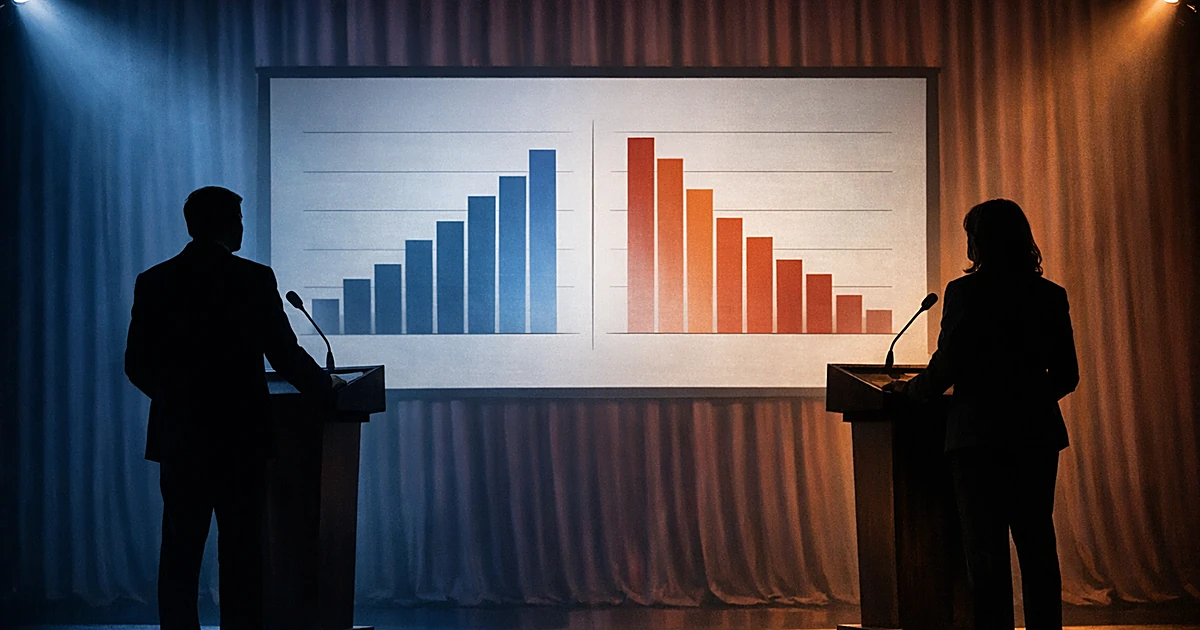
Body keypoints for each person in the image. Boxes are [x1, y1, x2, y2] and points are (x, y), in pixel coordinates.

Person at [125, 186, 339, 630]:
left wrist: (176, 402)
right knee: (242, 555)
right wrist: (328, 388)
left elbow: (136, 365)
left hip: (181, 442)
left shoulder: (155, 281)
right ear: (225, 224)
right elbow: (284, 354)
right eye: (238, 220)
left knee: (180, 556)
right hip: (240, 440)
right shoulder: (253, 279)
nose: (243, 227)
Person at [889, 198, 1079, 630]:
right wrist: (1027, 400)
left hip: (978, 442)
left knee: (986, 556)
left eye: (971, 235)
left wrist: (908, 391)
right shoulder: (1050, 296)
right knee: (1037, 550)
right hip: (1035, 438)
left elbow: (947, 366)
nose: (968, 245)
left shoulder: (966, 293)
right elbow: (1067, 375)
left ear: (983, 241)